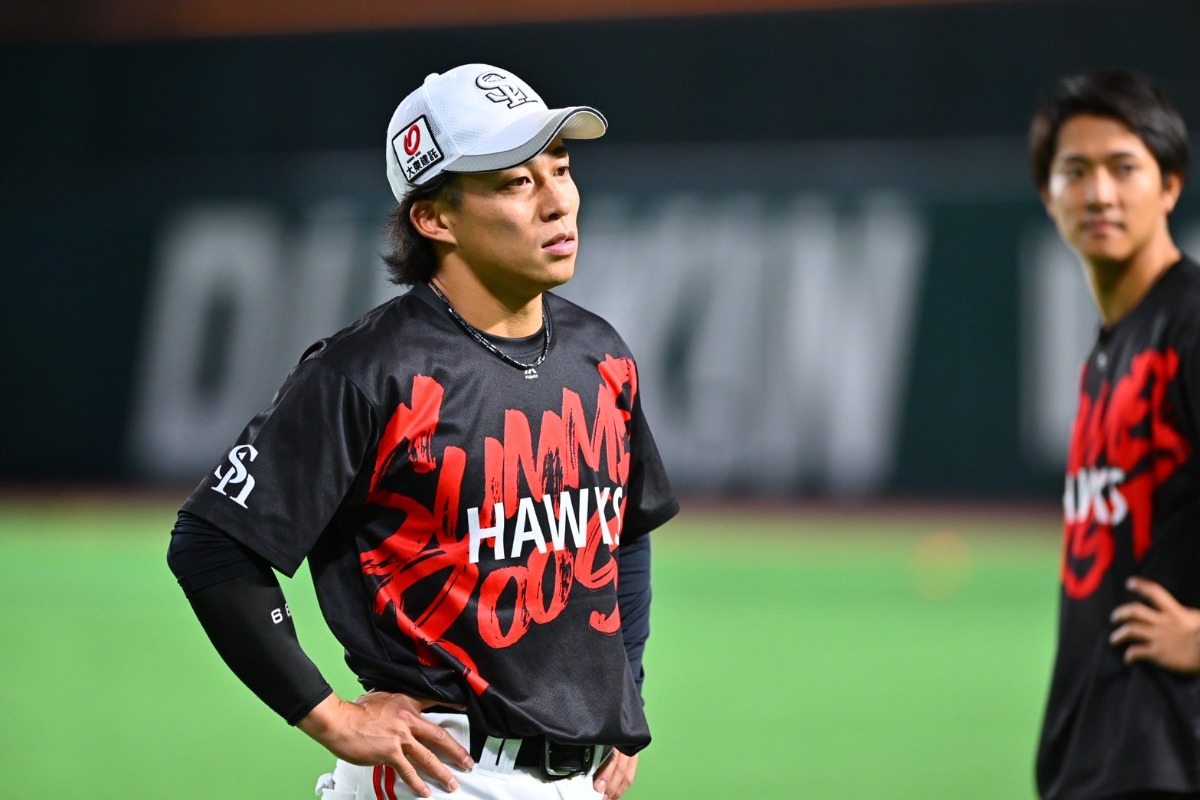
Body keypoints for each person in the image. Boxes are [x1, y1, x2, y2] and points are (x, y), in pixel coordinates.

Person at [166, 63, 678, 800]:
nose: (558, 201)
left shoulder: (600, 355)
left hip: (579, 780)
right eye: (516, 182)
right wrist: (329, 715)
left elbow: (621, 536)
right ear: (434, 219)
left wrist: (624, 697)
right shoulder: (369, 372)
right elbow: (213, 543)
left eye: (561, 169)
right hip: (441, 772)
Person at [1030, 69, 1200, 799]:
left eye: (1124, 168)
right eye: (1075, 171)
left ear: (1170, 186)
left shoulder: (1189, 326)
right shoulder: (1114, 347)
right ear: (1048, 197)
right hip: (1100, 756)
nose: (1099, 193)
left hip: (1170, 754)